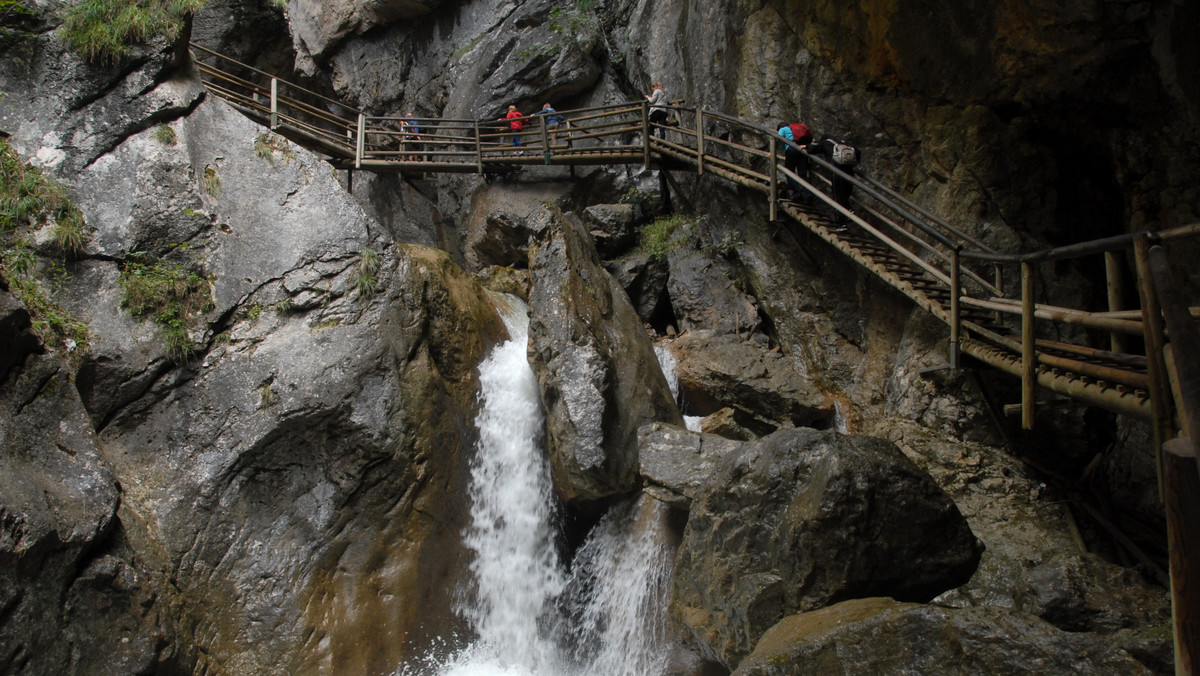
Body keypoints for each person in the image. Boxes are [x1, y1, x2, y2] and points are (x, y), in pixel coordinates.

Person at [812, 132, 859, 226]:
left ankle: (841, 223)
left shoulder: (826, 143)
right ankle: (849, 210)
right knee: (845, 194)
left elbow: (813, 149)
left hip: (837, 171)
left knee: (837, 195)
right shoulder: (844, 143)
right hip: (849, 171)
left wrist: (805, 147)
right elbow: (857, 153)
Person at [777, 121, 813, 201]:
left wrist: (773, 152)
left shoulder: (782, 129)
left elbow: (778, 139)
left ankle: (798, 191)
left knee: (789, 172)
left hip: (792, 149)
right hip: (802, 150)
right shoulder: (793, 130)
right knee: (803, 173)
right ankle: (808, 194)